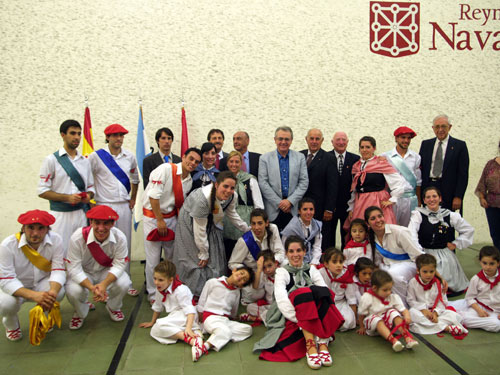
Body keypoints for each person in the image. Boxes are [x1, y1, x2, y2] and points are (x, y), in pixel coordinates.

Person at [254, 236, 344, 369]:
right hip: (292, 314)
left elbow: (324, 291)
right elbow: (282, 300)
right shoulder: (281, 272)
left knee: (324, 292)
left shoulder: (312, 269)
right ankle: (311, 346)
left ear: (304, 252)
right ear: (286, 253)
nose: (295, 255)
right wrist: (302, 318)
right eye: (291, 251)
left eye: (298, 251)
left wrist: (312, 314)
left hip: (311, 312)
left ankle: (323, 344)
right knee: (303, 292)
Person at [172, 171, 250, 297]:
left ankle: (212, 291)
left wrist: (245, 228)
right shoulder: (202, 199)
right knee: (196, 258)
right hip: (190, 222)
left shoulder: (231, 196)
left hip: (209, 221)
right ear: (216, 184)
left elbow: (232, 214)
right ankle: (193, 294)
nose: (228, 190)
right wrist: (203, 252)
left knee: (215, 257)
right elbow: (199, 230)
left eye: (232, 188)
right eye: (225, 186)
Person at [142, 148, 202, 301]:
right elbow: (153, 197)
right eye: (190, 158)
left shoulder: (189, 180)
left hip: (171, 218)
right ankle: (153, 294)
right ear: (183, 157)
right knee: (153, 258)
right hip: (153, 218)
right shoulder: (165, 169)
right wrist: (160, 220)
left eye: (196, 162)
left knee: (171, 257)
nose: (192, 163)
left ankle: (169, 291)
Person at [89, 124, 139, 296]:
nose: (119, 138)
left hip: (123, 206)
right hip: (104, 205)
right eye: (115, 135)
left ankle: (126, 279)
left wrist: (133, 198)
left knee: (124, 242)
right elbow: (88, 180)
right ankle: (103, 283)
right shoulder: (96, 157)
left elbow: (135, 179)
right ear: (108, 137)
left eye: (121, 135)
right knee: (103, 244)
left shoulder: (130, 156)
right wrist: (92, 204)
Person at [0, 210, 65, 341]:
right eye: (30, 228)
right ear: (23, 228)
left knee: (59, 292)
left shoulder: (56, 239)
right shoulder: (7, 245)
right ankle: (11, 324)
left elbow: (58, 269)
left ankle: (43, 315)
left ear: (48, 229)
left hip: (41, 282)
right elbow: (7, 280)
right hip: (16, 286)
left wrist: (51, 292)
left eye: (41, 228)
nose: (35, 233)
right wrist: (35, 296)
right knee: (6, 304)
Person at [65, 205, 131, 329]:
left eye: (106, 223)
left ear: (112, 224)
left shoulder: (120, 237)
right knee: (73, 291)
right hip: (84, 273)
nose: (101, 228)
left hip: (106, 272)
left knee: (124, 283)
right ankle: (80, 311)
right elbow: (73, 267)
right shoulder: (77, 237)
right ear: (91, 222)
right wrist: (91, 287)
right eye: (97, 223)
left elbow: (119, 265)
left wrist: (104, 285)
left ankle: (113, 307)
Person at [38, 119, 95, 253]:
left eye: (79, 134)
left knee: (81, 251)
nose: (76, 137)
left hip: (81, 214)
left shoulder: (85, 162)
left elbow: (91, 188)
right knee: (60, 251)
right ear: (63, 135)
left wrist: (88, 196)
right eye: (72, 133)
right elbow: (42, 190)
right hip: (60, 215)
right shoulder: (51, 160)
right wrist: (67, 198)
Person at [408, 187, 473, 294]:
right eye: (428, 197)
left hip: (444, 254)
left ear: (440, 198)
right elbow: (411, 234)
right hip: (425, 252)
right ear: (424, 200)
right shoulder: (418, 215)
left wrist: (456, 244)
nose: (431, 199)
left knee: (445, 271)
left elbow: (468, 230)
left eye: (434, 196)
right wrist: (419, 253)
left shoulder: (449, 215)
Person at [138, 260, 204, 362]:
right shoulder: (160, 289)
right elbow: (158, 306)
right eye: (155, 279)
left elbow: (190, 310)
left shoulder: (181, 290)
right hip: (176, 316)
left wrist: (189, 327)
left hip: (188, 316)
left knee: (159, 325)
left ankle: (191, 339)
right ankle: (194, 335)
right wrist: (152, 321)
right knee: (154, 330)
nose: (156, 282)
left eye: (160, 280)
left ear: (170, 280)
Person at [365, 206, 424, 304]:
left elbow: (418, 256)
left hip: (410, 264)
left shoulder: (399, 232)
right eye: (373, 218)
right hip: (389, 265)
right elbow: (377, 261)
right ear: (368, 223)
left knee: (393, 275)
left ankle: (403, 307)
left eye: (380, 216)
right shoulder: (372, 238)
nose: (378, 220)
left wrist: (436, 275)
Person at [347, 136, 405, 227]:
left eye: (368, 147)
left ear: (374, 148)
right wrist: (351, 207)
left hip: (377, 202)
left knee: (378, 228)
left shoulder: (381, 163)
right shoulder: (356, 166)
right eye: (362, 147)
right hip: (360, 202)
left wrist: (392, 199)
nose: (364, 150)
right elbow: (354, 189)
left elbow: (398, 182)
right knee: (361, 229)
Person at [196, 266, 254, 357]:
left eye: (244, 279)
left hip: (225, 321)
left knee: (248, 329)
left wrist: (235, 318)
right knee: (226, 331)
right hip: (210, 318)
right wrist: (201, 320)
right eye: (241, 273)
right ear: (234, 271)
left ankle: (220, 334)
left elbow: (233, 313)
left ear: (241, 285)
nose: (240, 277)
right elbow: (201, 303)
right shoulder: (213, 282)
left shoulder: (236, 292)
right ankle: (204, 347)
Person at [259, 126, 309, 231]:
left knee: (293, 243)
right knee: (272, 243)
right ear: (275, 140)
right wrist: (279, 203)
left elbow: (304, 182)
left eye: (287, 139)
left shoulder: (300, 157)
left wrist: (290, 201)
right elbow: (263, 183)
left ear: (291, 140)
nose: (283, 142)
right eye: (280, 139)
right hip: (273, 209)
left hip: (293, 208)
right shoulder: (264, 158)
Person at [407, 254, 467, 338]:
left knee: (454, 315)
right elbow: (410, 300)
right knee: (412, 313)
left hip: (436, 313)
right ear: (418, 270)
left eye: (431, 271)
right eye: (425, 271)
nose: (428, 275)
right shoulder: (413, 282)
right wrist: (423, 310)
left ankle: (431, 326)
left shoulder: (438, 283)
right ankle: (445, 328)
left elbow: (443, 302)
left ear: (435, 270)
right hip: (421, 312)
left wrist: (435, 313)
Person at [357, 270, 418, 352]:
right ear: (374, 288)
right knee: (376, 319)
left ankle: (407, 337)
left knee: (393, 312)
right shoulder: (367, 297)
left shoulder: (392, 297)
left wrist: (407, 316)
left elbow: (403, 309)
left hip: (388, 324)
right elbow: (361, 314)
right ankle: (393, 340)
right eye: (385, 290)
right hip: (373, 325)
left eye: (390, 289)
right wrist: (362, 327)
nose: (389, 292)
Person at [419, 114, 469, 213]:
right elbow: (420, 169)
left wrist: (458, 196)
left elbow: (463, 174)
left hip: (448, 191)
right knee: (428, 223)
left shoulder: (459, 146)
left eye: (443, 126)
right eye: (437, 127)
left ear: (450, 127)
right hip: (429, 187)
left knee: (447, 223)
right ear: (433, 128)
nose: (440, 129)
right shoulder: (426, 144)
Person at [222, 150, 264, 260]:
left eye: (237, 162)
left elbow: (258, 203)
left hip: (246, 221)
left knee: (246, 254)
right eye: (231, 161)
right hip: (227, 222)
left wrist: (257, 222)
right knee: (228, 253)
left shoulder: (250, 179)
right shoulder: (223, 179)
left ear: (241, 164)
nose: (234, 164)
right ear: (227, 163)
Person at [300, 129, 337, 250]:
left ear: (322, 141)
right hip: (301, 205)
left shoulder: (329, 158)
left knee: (321, 237)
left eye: (317, 139)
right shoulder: (299, 156)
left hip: (320, 207)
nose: (314, 141)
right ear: (306, 139)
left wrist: (329, 209)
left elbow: (333, 185)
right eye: (311, 138)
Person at [448, 246, 500, 332]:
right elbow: (469, 297)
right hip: (478, 306)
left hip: (495, 311)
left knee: (496, 325)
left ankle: (458, 317)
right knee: (457, 305)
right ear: (480, 262)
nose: (488, 267)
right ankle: (456, 315)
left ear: (498, 263)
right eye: (485, 263)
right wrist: (479, 310)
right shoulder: (476, 279)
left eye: (492, 263)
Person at [382, 126, 422, 226]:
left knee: (409, 230)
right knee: (391, 228)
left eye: (408, 138)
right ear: (396, 138)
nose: (406, 140)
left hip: (410, 199)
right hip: (393, 198)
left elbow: (418, 181)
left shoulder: (416, 157)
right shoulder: (385, 156)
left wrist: (419, 200)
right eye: (403, 137)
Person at [328, 131, 360, 249]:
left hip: (348, 206)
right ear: (332, 142)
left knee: (347, 234)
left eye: (343, 140)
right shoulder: (326, 157)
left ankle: (346, 259)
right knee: (329, 235)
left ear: (347, 142)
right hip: (330, 206)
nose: (341, 142)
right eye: (338, 140)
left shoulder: (356, 159)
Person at [228, 208, 285, 273]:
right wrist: (248, 272)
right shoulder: (244, 241)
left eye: (260, 223)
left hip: (272, 268)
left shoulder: (273, 229)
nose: (256, 227)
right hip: (255, 273)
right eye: (253, 224)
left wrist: (273, 263)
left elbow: (280, 252)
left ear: (266, 223)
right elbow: (232, 263)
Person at [317, 248, 357, 331]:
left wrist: (354, 317)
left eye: (341, 262)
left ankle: (331, 325)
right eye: (334, 262)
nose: (339, 265)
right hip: (325, 303)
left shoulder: (346, 275)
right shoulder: (320, 273)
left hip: (340, 303)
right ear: (326, 264)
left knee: (348, 322)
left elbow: (351, 298)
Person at [240, 250, 279, 324]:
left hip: (280, 305)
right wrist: (259, 269)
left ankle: (257, 318)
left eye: (270, 265)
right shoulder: (264, 276)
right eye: (264, 267)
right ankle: (267, 317)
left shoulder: (281, 273)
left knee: (281, 311)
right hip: (269, 306)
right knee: (250, 307)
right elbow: (255, 287)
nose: (267, 270)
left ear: (276, 263)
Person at [475, 140, 500, 250]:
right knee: (496, 234)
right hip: (492, 205)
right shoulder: (491, 164)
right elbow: (482, 183)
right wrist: (482, 197)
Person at [281, 198, 322, 265]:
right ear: (299, 211)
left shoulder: (317, 225)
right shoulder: (291, 228)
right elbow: (284, 249)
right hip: (294, 262)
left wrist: (314, 262)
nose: (308, 212)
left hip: (311, 261)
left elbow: (317, 247)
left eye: (311, 209)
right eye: (305, 209)